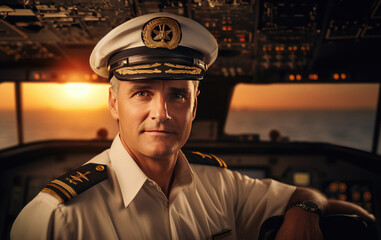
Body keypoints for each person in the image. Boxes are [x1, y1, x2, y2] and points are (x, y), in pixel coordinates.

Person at [11, 12, 374, 240]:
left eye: (178, 96)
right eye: (141, 93)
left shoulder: (222, 185)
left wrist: (305, 211)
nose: (162, 113)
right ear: (113, 103)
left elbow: (302, 195)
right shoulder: (55, 218)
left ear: (194, 104)